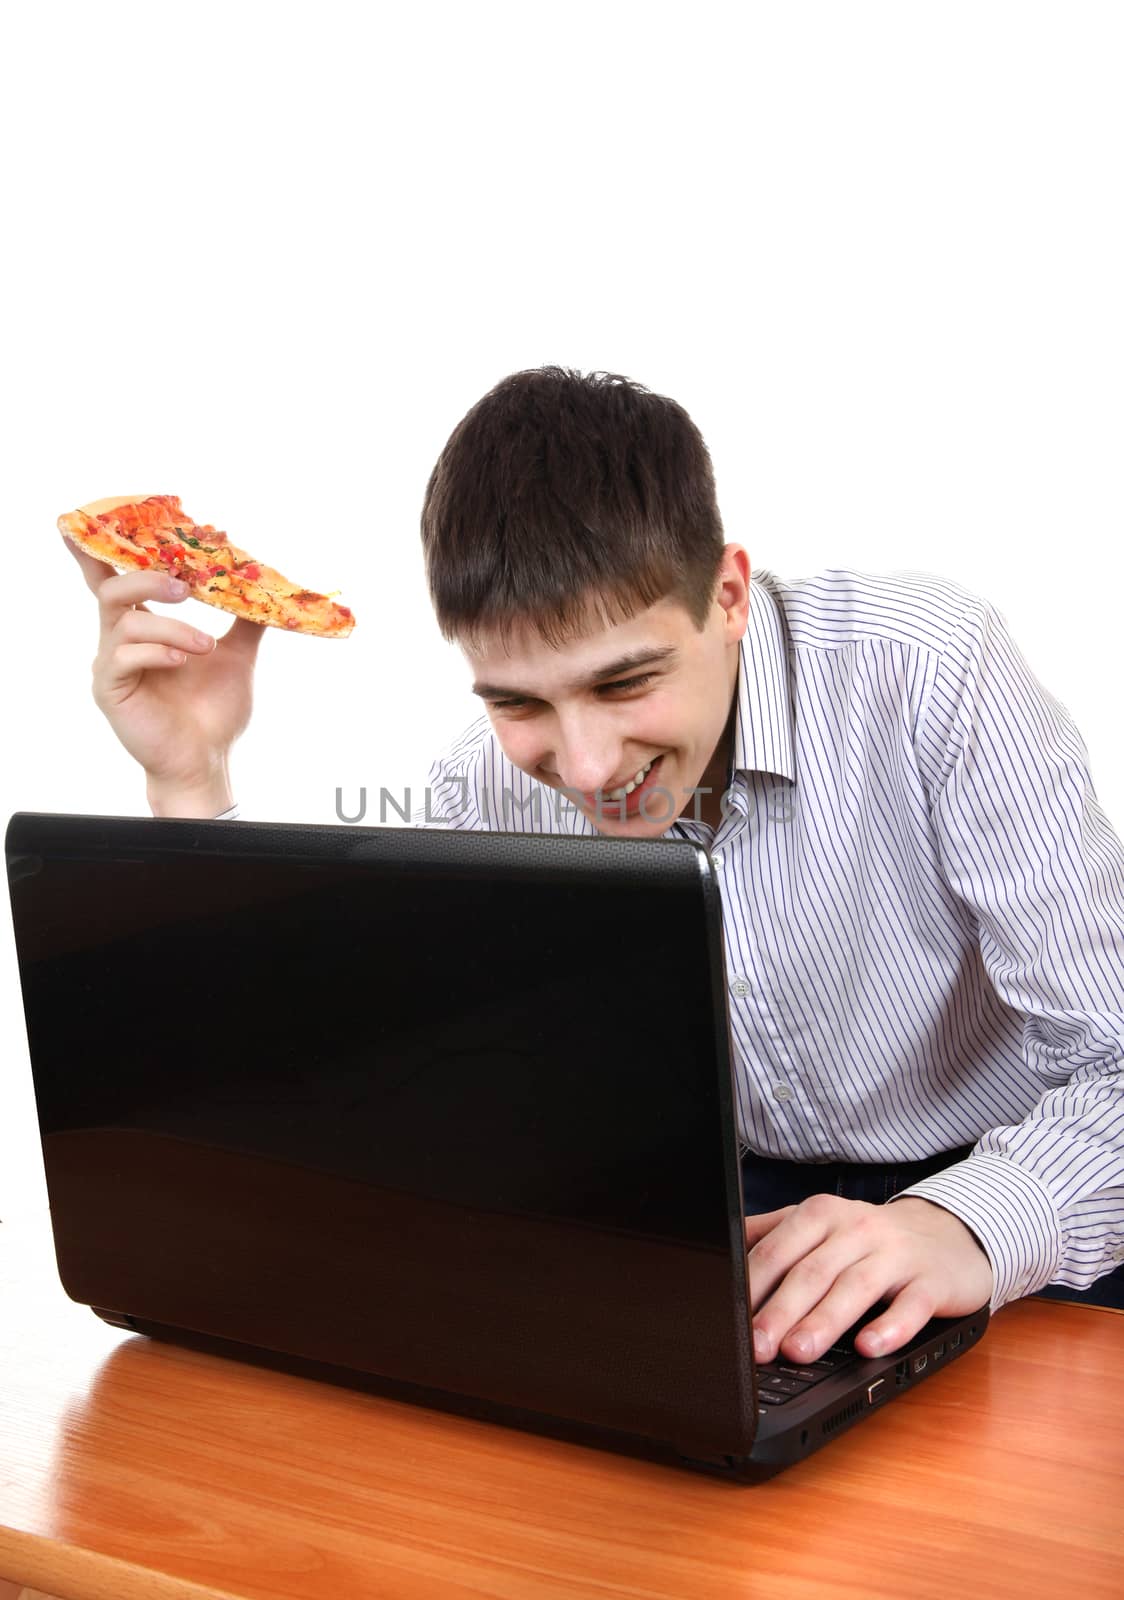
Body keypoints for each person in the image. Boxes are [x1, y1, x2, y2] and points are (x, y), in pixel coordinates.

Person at [66, 366, 1124, 1368]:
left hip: (1016, 1184)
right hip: (724, 1225)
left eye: (624, 683)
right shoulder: (477, 789)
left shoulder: (929, 670)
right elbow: (354, 1106)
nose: (581, 766)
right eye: (517, 702)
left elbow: (1116, 1065)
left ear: (726, 595)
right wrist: (193, 776)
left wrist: (962, 1222)